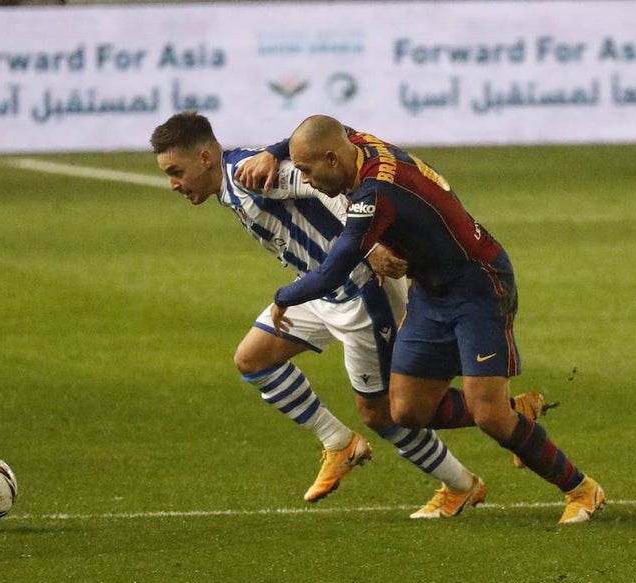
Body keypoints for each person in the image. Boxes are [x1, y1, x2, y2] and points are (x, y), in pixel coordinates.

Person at [252, 115, 604, 524]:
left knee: (489, 414)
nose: (308, 181)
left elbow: (333, 270)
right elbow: (335, 126)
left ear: (333, 158)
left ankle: (581, 489)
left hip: (478, 286)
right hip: (430, 291)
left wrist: (283, 298)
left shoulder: (375, 192)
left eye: (309, 171)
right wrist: (273, 152)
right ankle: (516, 414)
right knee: (406, 411)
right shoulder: (359, 144)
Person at [150, 110, 486, 509]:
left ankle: (473, 463)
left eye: (176, 170)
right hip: (319, 290)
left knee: (381, 412)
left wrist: (373, 243)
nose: (173, 184)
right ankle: (338, 443)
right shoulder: (238, 176)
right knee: (253, 359)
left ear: (205, 157)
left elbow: (333, 183)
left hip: (359, 292)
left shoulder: (247, 176)